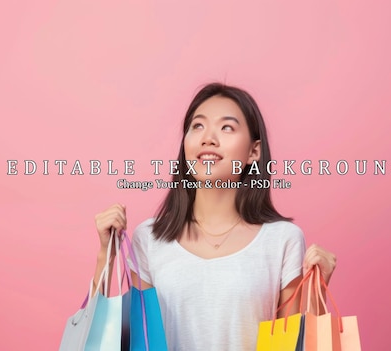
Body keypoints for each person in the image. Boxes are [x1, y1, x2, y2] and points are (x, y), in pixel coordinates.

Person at [92, 83, 337, 350]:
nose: (208, 137)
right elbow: (129, 340)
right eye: (197, 126)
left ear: (254, 152)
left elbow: (290, 345)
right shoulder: (149, 238)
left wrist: (318, 288)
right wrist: (106, 255)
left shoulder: (282, 240)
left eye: (227, 127)